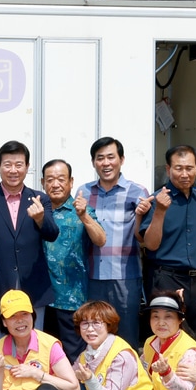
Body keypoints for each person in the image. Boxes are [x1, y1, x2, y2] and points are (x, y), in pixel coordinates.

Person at [0, 140, 59, 343]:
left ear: (27, 167)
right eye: (7, 164)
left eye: (19, 164)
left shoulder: (39, 198)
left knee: (34, 344)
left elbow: (52, 234)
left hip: (33, 287)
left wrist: (40, 219)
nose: (13, 170)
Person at [80, 137, 150, 346]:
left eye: (111, 157)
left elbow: (143, 237)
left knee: (126, 333)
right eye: (100, 158)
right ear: (93, 163)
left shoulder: (137, 192)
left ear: (121, 159)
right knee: (94, 334)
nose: (106, 163)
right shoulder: (84, 192)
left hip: (125, 276)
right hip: (93, 275)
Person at [40, 158, 105, 362]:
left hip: (72, 300)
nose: (55, 184)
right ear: (42, 183)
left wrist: (84, 216)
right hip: (41, 299)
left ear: (71, 182)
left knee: (73, 357)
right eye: (50, 179)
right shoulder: (38, 209)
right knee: (45, 355)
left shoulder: (81, 209)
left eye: (61, 179)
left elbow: (101, 239)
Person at [140, 146, 196, 336]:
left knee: (195, 333)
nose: (185, 174)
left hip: (195, 279)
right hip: (165, 277)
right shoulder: (156, 200)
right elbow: (151, 244)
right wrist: (160, 211)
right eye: (179, 168)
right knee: (164, 332)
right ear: (169, 170)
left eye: (190, 168)